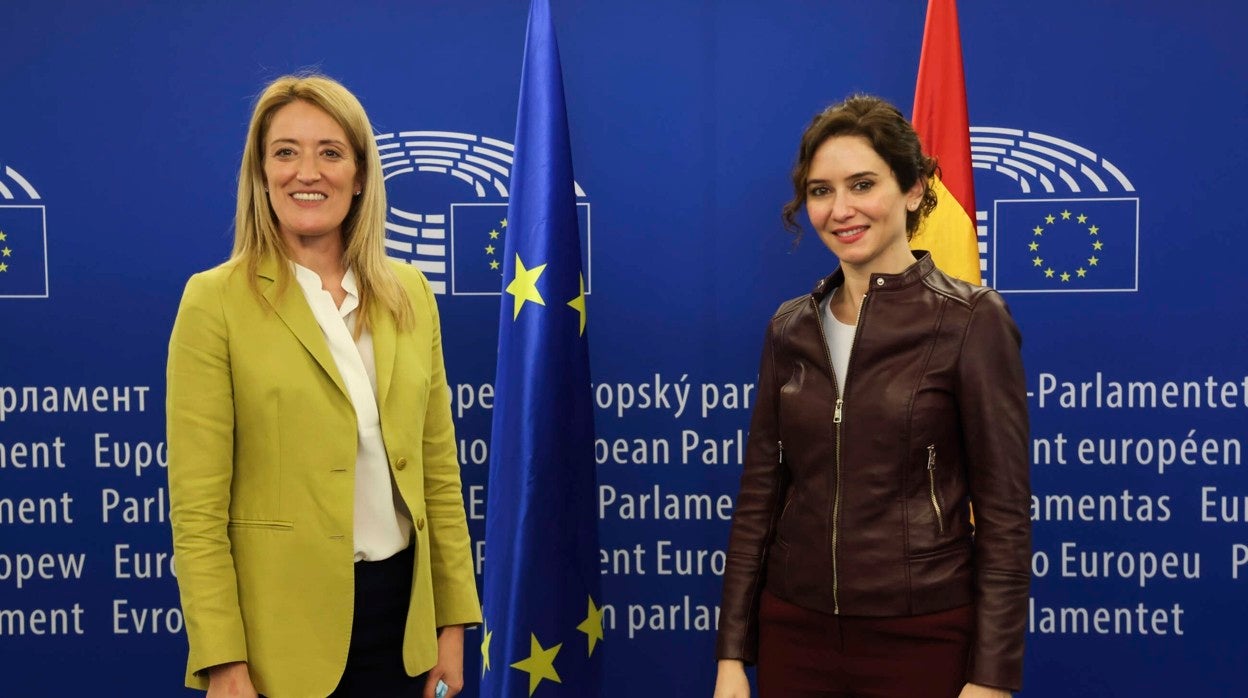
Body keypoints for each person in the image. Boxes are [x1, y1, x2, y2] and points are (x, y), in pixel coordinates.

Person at [167, 74, 481, 698]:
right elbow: (198, 515)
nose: (306, 171)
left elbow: (440, 480)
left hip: (403, 632)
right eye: (285, 151)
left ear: (360, 174)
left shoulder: (410, 295)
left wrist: (452, 624)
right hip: (278, 646)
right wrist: (223, 662)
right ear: (261, 172)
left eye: (329, 152)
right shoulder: (214, 303)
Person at [713, 95, 1030, 698]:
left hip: (923, 635)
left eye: (862, 184)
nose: (841, 209)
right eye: (821, 190)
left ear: (913, 190)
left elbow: (1005, 516)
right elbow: (759, 496)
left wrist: (991, 679)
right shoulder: (789, 327)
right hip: (794, 633)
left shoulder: (971, 321)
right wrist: (731, 654)